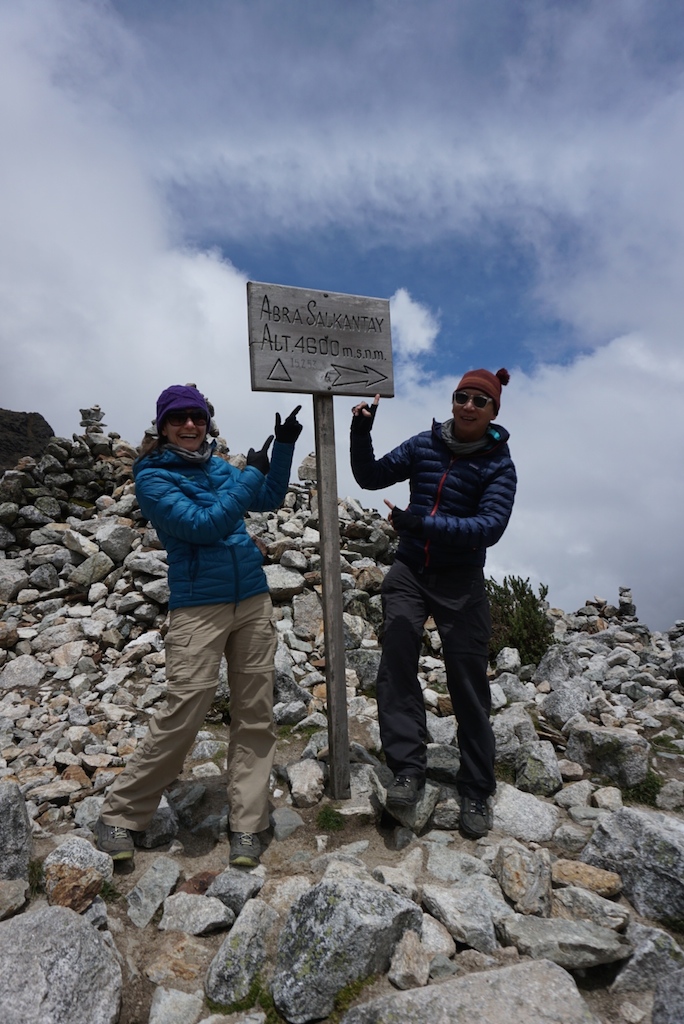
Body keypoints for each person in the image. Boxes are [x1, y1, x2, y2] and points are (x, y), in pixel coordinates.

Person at [95, 384, 302, 867]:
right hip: (198, 607)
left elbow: (267, 497)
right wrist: (250, 473)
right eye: (179, 418)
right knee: (184, 711)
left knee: (256, 712)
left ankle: (247, 824)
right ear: (163, 426)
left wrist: (285, 446)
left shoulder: (217, 467)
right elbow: (206, 524)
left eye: (198, 417)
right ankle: (120, 815)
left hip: (251, 598)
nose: (191, 425)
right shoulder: (152, 477)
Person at [350, 368, 516, 838]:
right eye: (461, 396)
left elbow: (489, 528)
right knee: (397, 655)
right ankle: (407, 768)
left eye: (479, 401)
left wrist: (422, 524)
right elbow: (370, 476)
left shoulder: (499, 465)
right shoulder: (424, 445)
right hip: (409, 571)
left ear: (493, 412)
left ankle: (478, 788)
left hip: (461, 580)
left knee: (466, 680)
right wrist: (361, 430)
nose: (468, 406)